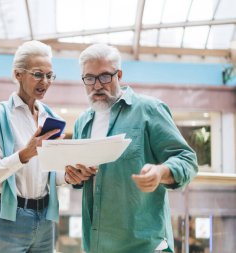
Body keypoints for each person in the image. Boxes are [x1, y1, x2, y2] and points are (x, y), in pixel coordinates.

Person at [64, 44, 198, 253]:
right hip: (97, 245)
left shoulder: (149, 110)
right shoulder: (83, 121)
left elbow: (187, 159)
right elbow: (81, 181)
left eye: (105, 77)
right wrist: (74, 176)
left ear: (119, 75)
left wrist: (161, 172)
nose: (97, 85)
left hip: (145, 245)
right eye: (89, 78)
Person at [0, 40, 66, 253]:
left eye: (49, 75)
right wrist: (24, 155)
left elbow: (52, 173)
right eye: (38, 74)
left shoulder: (51, 117)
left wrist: (71, 175)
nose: (45, 81)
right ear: (18, 74)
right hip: (10, 219)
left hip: (45, 218)